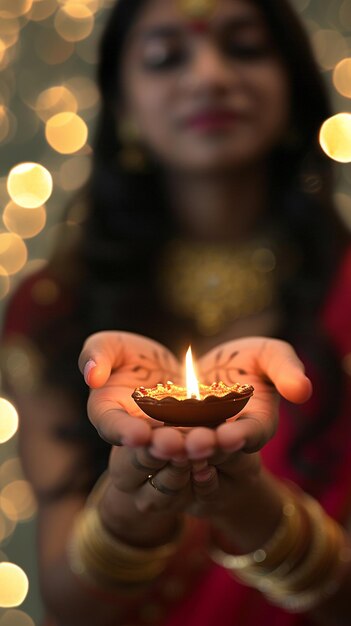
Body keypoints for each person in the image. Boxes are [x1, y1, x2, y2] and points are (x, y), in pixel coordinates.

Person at [1, 0, 351, 624]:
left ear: (294, 90)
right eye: (165, 57)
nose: (209, 76)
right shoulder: (52, 312)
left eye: (244, 47)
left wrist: (253, 509)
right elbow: (71, 605)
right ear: (126, 106)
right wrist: (126, 514)